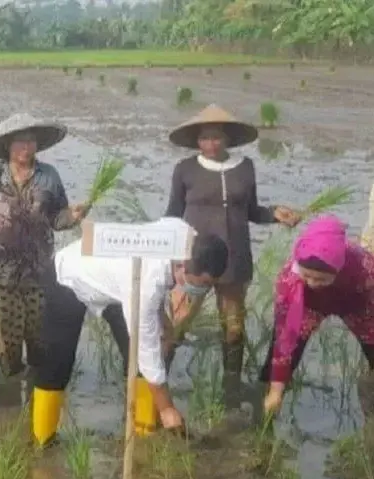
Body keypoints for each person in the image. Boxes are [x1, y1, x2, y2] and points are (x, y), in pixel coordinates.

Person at [31, 218, 229, 447]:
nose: (203, 290)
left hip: (119, 283)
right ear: (183, 268)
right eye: (201, 283)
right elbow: (147, 350)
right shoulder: (148, 282)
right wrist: (167, 409)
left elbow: (152, 305)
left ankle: (143, 435)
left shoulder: (185, 235)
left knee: (138, 359)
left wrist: (163, 321)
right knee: (57, 364)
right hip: (69, 278)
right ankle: (42, 441)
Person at [164, 104, 301, 410]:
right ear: (197, 140)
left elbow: (252, 211)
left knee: (234, 326)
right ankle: (156, 385)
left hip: (235, 259)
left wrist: (276, 215)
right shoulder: (185, 169)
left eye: (216, 137)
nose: (210, 143)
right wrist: (174, 261)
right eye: (204, 137)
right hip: (195, 260)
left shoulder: (245, 167)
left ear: (226, 139)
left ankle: (231, 392)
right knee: (178, 321)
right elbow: (172, 215)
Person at [0, 113, 89, 377]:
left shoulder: (49, 176)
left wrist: (73, 216)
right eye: (20, 142)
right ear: (7, 145)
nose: (26, 148)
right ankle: (12, 393)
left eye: (31, 142)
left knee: (40, 338)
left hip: (39, 272)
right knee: (6, 342)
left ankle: (38, 391)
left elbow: (56, 218)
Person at [261, 215, 374, 418]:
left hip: (357, 304)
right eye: (307, 276)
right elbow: (285, 340)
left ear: (337, 269)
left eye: (320, 278)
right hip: (308, 305)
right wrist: (276, 391)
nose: (312, 282)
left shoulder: (365, 270)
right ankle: (265, 408)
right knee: (282, 358)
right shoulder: (291, 280)